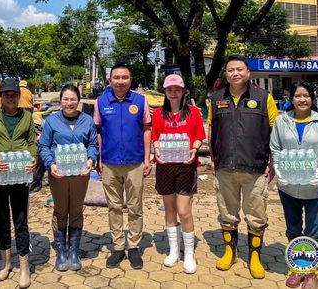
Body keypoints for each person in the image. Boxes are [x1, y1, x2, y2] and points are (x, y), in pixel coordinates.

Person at [207, 55, 278, 279]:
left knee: (256, 215)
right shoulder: (216, 98)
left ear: (248, 73)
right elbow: (212, 131)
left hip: (255, 167)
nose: (235, 73)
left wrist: (273, 162)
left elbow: (275, 132)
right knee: (227, 213)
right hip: (224, 166)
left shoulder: (264, 97)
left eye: (239, 69)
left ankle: (255, 256)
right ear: (225, 74)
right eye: (230, 70)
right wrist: (212, 158)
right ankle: (231, 252)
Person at [270, 81, 318, 289]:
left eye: (306, 95)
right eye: (298, 96)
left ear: (312, 98)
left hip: (316, 187)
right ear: (291, 99)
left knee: (314, 232)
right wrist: (279, 169)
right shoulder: (282, 122)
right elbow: (275, 148)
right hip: (289, 187)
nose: (302, 99)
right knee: (293, 230)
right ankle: (296, 268)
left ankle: (310, 272)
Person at [94, 64, 152, 270]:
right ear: (110, 80)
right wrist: (99, 158)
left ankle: (134, 246)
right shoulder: (101, 102)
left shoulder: (140, 100)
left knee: (135, 206)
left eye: (124, 77)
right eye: (116, 77)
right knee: (114, 207)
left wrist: (148, 158)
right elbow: (98, 132)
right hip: (109, 163)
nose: (120, 81)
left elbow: (147, 129)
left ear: (131, 79)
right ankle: (118, 247)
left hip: (135, 163)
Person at [38, 84, 98, 272]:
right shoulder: (51, 121)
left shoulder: (87, 120)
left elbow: (93, 144)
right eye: (66, 99)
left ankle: (73, 251)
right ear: (61, 100)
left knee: (77, 210)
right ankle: (61, 252)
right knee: (61, 210)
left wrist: (91, 160)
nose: (69, 103)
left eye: (73, 99)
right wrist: (50, 163)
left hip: (81, 174)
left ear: (78, 101)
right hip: (59, 174)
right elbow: (44, 146)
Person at [152, 74, 205, 274]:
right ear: (165, 91)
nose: (174, 92)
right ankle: (174, 250)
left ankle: (189, 254)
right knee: (170, 210)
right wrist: (156, 149)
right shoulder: (158, 113)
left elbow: (199, 135)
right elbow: (155, 136)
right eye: (170, 89)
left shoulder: (193, 112)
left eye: (177, 89)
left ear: (183, 91)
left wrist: (194, 149)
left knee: (184, 211)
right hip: (165, 166)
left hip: (186, 165)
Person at [0, 77, 37, 288]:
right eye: (6, 94)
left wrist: (33, 159)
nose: (10, 98)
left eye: (13, 94)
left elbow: (32, 142)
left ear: (18, 96)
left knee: (20, 219)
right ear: (0, 97)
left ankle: (24, 266)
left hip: (20, 174)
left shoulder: (26, 117)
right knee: (1, 218)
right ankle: (6, 263)